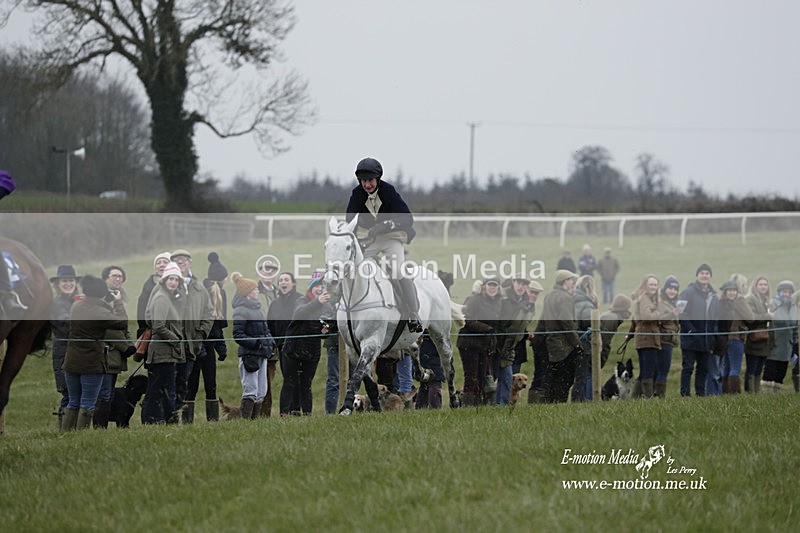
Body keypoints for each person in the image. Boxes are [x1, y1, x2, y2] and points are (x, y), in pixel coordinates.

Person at [343, 157, 421, 333]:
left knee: (398, 271)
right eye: (363, 181)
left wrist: (386, 225)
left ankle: (413, 314)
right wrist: (368, 224)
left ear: (377, 179)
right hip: (369, 239)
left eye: (370, 180)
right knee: (352, 269)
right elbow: (350, 217)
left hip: (390, 238)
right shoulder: (357, 193)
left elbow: (408, 218)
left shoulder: (388, 191)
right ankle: (337, 311)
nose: (367, 185)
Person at [62, 275, 129, 430]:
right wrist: (118, 302)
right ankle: (81, 435)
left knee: (73, 401)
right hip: (91, 363)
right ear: (102, 293)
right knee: (88, 402)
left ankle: (66, 433)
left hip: (71, 360)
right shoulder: (100, 312)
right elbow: (122, 323)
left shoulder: (76, 306)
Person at [280, 272, 332, 415]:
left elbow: (328, 329)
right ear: (311, 288)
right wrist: (317, 302)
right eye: (316, 286)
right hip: (293, 348)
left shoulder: (327, 307)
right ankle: (284, 414)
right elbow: (299, 313)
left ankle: (307, 414)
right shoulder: (302, 300)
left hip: (312, 350)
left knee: (306, 384)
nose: (319, 289)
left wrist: (326, 330)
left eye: (322, 286)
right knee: (289, 382)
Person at [170, 249, 214, 416]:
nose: (181, 262)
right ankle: (169, 418)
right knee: (171, 383)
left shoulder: (199, 288)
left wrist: (201, 333)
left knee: (184, 384)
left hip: (192, 345)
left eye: (184, 259)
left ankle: (180, 417)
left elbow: (209, 313)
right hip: (172, 344)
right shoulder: (168, 286)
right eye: (177, 260)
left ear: (190, 262)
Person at [187, 252, 229, 422]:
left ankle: (211, 419)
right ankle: (189, 419)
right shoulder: (203, 293)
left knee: (208, 383)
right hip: (197, 345)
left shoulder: (219, 293)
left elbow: (217, 327)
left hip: (209, 345)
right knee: (193, 383)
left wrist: (220, 347)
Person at [142, 262, 185, 424]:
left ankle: (156, 420)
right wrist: (175, 340)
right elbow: (158, 325)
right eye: (170, 279)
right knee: (162, 389)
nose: (173, 282)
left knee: (160, 388)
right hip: (162, 352)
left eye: (176, 279)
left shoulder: (169, 297)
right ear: (164, 280)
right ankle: (161, 420)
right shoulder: (161, 298)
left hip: (166, 352)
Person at [94, 265, 135, 428]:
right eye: (114, 276)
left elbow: (124, 326)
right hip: (105, 353)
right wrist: (126, 347)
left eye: (120, 276)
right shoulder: (103, 297)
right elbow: (109, 328)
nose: (118, 279)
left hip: (114, 354)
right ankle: (99, 428)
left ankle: (102, 427)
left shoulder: (119, 296)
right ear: (105, 278)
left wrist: (130, 343)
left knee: (109, 392)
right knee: (104, 393)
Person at [231, 272, 275, 419]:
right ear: (247, 292)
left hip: (262, 354)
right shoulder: (240, 310)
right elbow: (238, 335)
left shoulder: (258, 309)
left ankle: (254, 421)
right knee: (251, 389)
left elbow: (265, 330)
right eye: (255, 289)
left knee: (262, 390)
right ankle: (245, 421)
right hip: (249, 355)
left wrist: (270, 342)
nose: (257, 291)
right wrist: (256, 344)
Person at [457, 277, 503, 406]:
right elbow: (466, 319)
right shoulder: (474, 299)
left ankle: (478, 404)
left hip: (485, 345)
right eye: (490, 285)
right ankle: (468, 406)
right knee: (471, 377)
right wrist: (486, 328)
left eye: (495, 285)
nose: (492, 288)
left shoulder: (498, 302)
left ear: (498, 288)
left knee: (482, 377)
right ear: (484, 286)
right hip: (469, 343)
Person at [540, 270, 581, 403]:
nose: (574, 284)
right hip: (565, 347)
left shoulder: (549, 296)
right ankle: (559, 405)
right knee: (565, 380)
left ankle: (549, 405)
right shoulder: (565, 297)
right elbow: (567, 324)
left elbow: (543, 320)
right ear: (565, 282)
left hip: (551, 344)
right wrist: (578, 344)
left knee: (552, 379)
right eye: (572, 281)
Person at [678, 263, 719, 397]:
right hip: (690, 339)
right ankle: (685, 395)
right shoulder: (687, 292)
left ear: (710, 276)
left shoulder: (714, 295)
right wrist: (691, 330)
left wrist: (714, 335)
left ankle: (700, 395)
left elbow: (716, 317)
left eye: (707, 273)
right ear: (697, 275)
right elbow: (681, 313)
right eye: (702, 273)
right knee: (688, 368)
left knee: (703, 369)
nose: (704, 276)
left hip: (707, 340)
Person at [49, 265, 81, 429]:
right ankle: (65, 430)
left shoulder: (76, 301)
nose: (68, 284)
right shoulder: (57, 304)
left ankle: (75, 430)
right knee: (69, 394)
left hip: (78, 353)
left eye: (71, 280)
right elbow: (66, 326)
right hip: (64, 354)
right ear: (58, 284)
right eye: (64, 281)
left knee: (78, 394)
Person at [496, 277, 536, 405]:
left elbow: (520, 325)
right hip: (497, 344)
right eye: (519, 283)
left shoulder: (527, 302)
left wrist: (525, 333)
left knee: (506, 377)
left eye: (524, 284)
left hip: (511, 346)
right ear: (513, 283)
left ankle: (501, 406)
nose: (521, 286)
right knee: (493, 378)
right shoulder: (504, 299)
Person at [267, 271, 303, 414]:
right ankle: (285, 411)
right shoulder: (275, 304)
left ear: (293, 283)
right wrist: (274, 342)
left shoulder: (301, 300)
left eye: (286, 280)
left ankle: (297, 409)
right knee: (288, 377)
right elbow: (270, 325)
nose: (283, 282)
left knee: (299, 378)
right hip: (282, 347)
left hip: (299, 346)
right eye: (281, 280)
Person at [717, 279, 754, 394]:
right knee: (735, 368)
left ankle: (725, 393)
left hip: (724, 339)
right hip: (736, 338)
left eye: (734, 290)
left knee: (726, 368)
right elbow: (750, 318)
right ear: (725, 292)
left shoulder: (720, 303)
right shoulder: (739, 301)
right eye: (729, 290)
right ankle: (734, 394)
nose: (732, 293)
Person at [630, 275, 663, 399]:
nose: (654, 287)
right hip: (647, 339)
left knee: (645, 371)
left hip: (645, 338)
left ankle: (634, 397)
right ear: (645, 285)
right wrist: (659, 313)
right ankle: (648, 398)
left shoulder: (648, 298)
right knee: (649, 371)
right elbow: (647, 316)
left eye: (655, 285)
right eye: (651, 284)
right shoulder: (645, 298)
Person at [762, 280, 797, 392]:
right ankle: (766, 395)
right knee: (769, 372)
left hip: (787, 346)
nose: (787, 294)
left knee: (780, 374)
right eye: (785, 291)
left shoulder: (794, 307)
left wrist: (795, 342)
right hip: (774, 345)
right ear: (779, 292)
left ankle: (776, 395)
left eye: (790, 292)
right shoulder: (773, 304)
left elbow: (795, 326)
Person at [743, 276, 773, 394]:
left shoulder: (765, 300)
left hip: (764, 340)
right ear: (755, 286)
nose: (763, 287)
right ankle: (750, 392)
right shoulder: (750, 299)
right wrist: (768, 316)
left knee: (759, 369)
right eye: (760, 284)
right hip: (754, 340)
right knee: (752, 368)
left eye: (765, 284)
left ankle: (757, 392)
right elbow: (751, 318)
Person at [571, 275, 598, 401]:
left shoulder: (572, 300)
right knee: (581, 376)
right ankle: (578, 400)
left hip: (571, 342)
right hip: (583, 344)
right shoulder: (587, 305)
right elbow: (589, 325)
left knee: (576, 376)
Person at [655, 276, 681, 397]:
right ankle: (659, 396)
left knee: (662, 371)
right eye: (670, 288)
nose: (672, 291)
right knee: (662, 371)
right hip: (663, 340)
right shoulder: (660, 302)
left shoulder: (674, 303)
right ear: (665, 289)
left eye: (675, 289)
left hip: (670, 340)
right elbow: (658, 319)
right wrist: (672, 314)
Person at [136, 252, 171, 338]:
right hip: (154, 331)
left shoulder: (179, 284)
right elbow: (142, 309)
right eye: (158, 263)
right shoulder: (149, 285)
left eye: (165, 262)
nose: (161, 265)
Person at [598, 294, 632, 373]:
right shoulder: (612, 319)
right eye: (627, 308)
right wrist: (603, 358)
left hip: (597, 347)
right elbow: (605, 340)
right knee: (591, 373)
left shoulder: (610, 315)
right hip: (598, 349)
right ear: (623, 309)